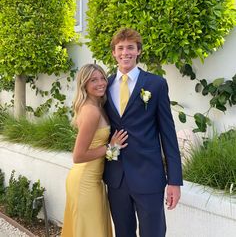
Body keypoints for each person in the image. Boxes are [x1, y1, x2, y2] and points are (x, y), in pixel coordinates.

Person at [103, 28, 183, 237]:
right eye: (120, 48)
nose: (125, 52)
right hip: (116, 178)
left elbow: (168, 133)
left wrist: (174, 180)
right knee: (123, 233)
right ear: (113, 52)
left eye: (130, 47)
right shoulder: (105, 85)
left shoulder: (155, 84)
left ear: (138, 51)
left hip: (148, 176)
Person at [61, 64, 128, 237]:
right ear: (84, 84)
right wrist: (111, 147)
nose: (100, 83)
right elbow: (78, 155)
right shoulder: (91, 111)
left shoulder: (98, 106)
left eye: (102, 78)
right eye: (93, 80)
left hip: (94, 180)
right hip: (85, 182)